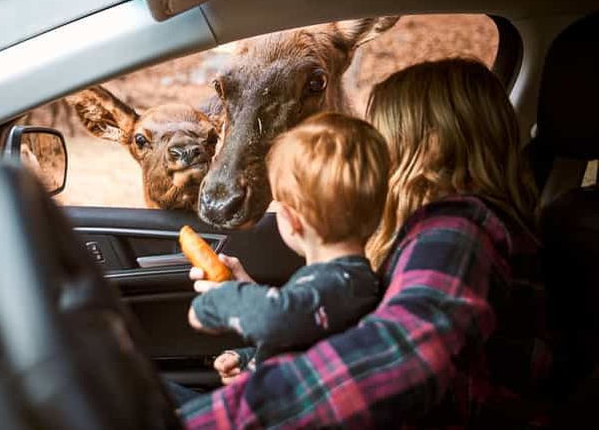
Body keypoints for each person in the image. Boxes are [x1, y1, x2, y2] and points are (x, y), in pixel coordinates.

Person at [180, 58, 548, 428]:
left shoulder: (456, 233)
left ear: (428, 146)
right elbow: (354, 328)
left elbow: (402, 358)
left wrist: (224, 417)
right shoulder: (432, 232)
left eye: (383, 133)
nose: (378, 152)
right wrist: (261, 329)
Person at [187, 112, 390, 385]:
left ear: (291, 220)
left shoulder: (336, 284)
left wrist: (215, 302)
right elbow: (302, 335)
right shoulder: (348, 280)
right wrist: (249, 360)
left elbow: (277, 318)